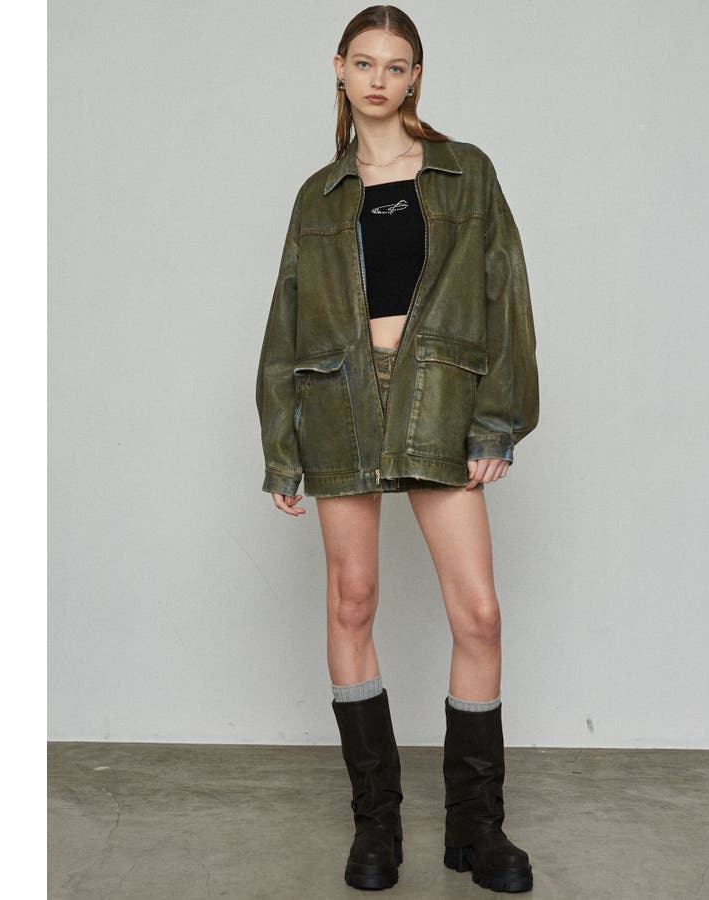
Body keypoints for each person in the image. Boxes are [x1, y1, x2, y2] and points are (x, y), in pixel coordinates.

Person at [255, 5, 539, 894]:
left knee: (478, 613)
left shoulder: (465, 173)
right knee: (352, 602)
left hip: (438, 395)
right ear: (339, 68)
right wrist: (279, 444)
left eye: (397, 65)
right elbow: (286, 318)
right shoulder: (318, 195)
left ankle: (477, 827)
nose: (379, 79)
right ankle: (375, 825)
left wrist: (496, 421)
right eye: (365, 62)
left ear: (416, 76)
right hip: (337, 398)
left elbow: (506, 295)